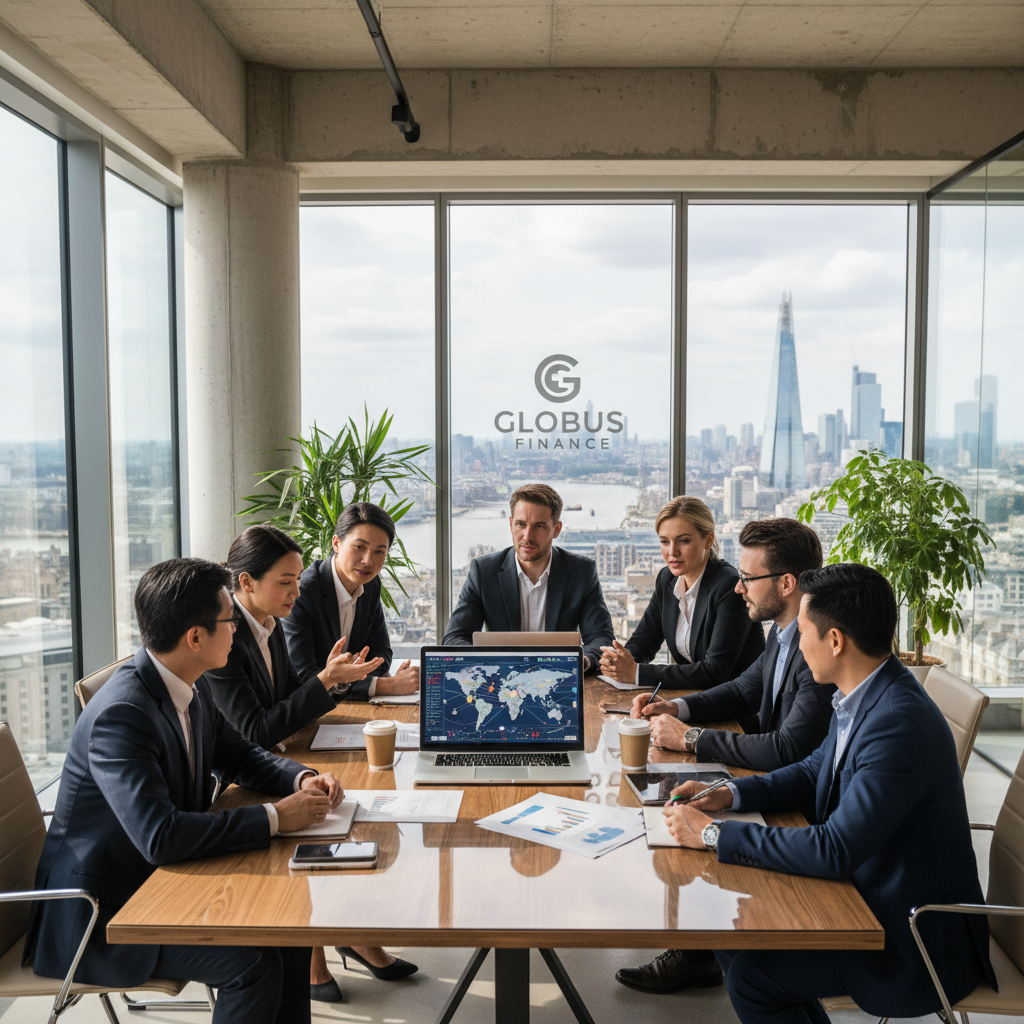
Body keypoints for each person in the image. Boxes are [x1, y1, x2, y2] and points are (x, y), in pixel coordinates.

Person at [664, 563, 996, 1024]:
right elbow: (811, 770)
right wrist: (729, 794)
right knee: (728, 926)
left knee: (752, 979)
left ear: (835, 640)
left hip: (909, 936)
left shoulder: (897, 723)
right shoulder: (868, 692)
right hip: (869, 893)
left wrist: (714, 835)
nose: (797, 645)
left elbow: (836, 848)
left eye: (802, 633)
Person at [24, 558, 344, 1024]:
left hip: (158, 882)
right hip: (102, 916)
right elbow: (161, 837)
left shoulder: (186, 683)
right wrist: (277, 818)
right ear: (195, 637)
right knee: (252, 965)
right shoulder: (123, 714)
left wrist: (300, 779)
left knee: (288, 933)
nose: (237, 628)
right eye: (230, 619)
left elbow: (238, 754)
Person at [614, 517, 834, 994]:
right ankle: (699, 947)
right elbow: (741, 687)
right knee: (677, 802)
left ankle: (698, 952)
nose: (738, 588)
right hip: (785, 783)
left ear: (787, 583)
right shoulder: (783, 633)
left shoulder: (816, 648)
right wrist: (678, 707)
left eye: (749, 578)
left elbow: (787, 750)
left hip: (803, 809)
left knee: (681, 816)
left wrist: (692, 739)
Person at [205, 525, 418, 1002]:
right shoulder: (223, 638)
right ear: (245, 583)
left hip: (275, 761)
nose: (296, 592)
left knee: (360, 805)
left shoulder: (267, 623)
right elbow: (253, 733)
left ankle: (349, 929)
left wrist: (329, 686)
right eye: (286, 581)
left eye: (298, 580)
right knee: (330, 813)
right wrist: (325, 681)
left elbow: (282, 700)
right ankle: (312, 949)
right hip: (234, 787)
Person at [443, 483, 614, 670]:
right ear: (510, 524)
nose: (527, 536)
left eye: (539, 526)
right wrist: (484, 663)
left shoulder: (581, 571)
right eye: (520, 524)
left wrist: (583, 661)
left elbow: (601, 637)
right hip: (499, 678)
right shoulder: (484, 571)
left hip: (561, 676)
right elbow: (454, 638)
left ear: (556, 529)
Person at [599, 496, 763, 689]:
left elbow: (715, 672)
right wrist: (618, 662)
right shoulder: (667, 579)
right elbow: (644, 641)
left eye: (683, 541)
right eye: (665, 541)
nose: (672, 552)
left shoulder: (728, 586)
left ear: (708, 540)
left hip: (736, 706)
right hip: (694, 697)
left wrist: (637, 673)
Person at [282, 502, 418, 701]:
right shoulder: (303, 592)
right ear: (336, 543)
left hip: (346, 705)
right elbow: (304, 677)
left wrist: (349, 676)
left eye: (379, 551)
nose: (368, 561)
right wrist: (385, 685)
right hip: (307, 711)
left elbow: (382, 653)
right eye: (359, 547)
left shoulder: (370, 584)